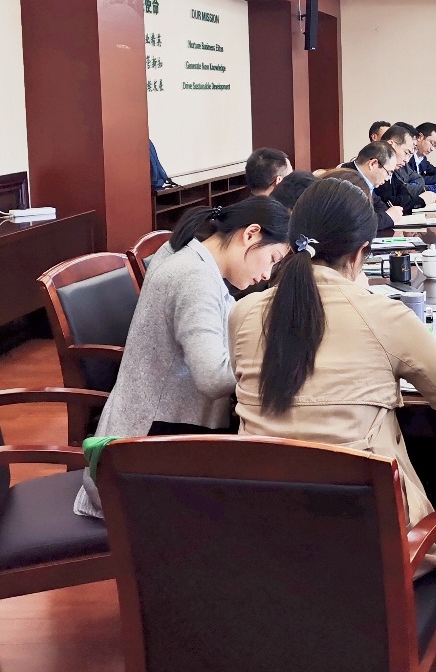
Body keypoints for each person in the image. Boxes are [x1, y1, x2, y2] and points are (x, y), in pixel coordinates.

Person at [229, 179, 436, 581]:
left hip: (266, 537)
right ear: (362, 252)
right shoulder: (382, 315)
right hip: (375, 547)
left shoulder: (243, 313)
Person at [73, 197, 291, 518]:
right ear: (250, 234)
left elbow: (226, 319)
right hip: (139, 463)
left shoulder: (186, 252)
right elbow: (213, 379)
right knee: (272, 487)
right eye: (272, 259)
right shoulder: (194, 277)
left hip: (138, 439)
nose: (267, 273)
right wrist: (273, 362)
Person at [341, 141, 403, 231]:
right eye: (388, 172)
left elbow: (381, 208)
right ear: (373, 164)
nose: (387, 178)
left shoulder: (365, 180)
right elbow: (360, 223)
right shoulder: (347, 181)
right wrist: (388, 217)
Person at [377, 123, 436, 214]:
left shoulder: (392, 172)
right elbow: (389, 204)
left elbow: (403, 192)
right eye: (406, 152)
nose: (407, 160)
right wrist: (420, 200)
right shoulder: (378, 169)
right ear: (391, 145)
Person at [414, 122, 436, 191]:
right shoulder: (407, 158)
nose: (432, 149)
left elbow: (432, 170)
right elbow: (416, 181)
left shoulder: (422, 157)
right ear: (420, 137)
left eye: (435, 146)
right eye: (432, 143)